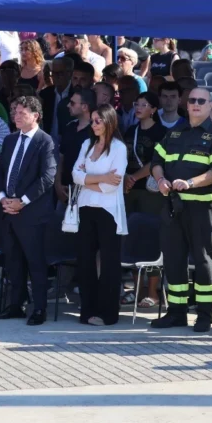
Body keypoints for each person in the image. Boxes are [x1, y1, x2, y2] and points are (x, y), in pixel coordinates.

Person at [150, 87, 212, 332]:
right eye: (192, 100)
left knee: (205, 261)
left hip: (201, 207)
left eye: (201, 101)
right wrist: (161, 180)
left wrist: (190, 184)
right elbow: (156, 161)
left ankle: (205, 315)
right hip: (173, 206)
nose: (195, 104)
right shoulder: (174, 133)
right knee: (173, 260)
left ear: (209, 106)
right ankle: (176, 312)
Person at [0, 96, 57, 326]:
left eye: (21, 113)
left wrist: (23, 201)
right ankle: (15, 305)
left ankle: (39, 308)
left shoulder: (44, 141)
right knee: (13, 261)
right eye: (15, 112)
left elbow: (47, 177)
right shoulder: (10, 140)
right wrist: (3, 198)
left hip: (32, 213)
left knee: (35, 263)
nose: (16, 116)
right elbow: (0, 172)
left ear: (35, 115)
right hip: (8, 210)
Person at [72, 104, 128, 326]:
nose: (94, 124)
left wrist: (89, 181)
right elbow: (75, 175)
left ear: (108, 121)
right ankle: (88, 311)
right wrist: (99, 178)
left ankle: (108, 313)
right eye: (92, 120)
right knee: (85, 261)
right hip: (85, 209)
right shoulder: (87, 144)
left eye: (98, 120)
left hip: (108, 212)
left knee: (109, 264)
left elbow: (113, 184)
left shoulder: (118, 148)